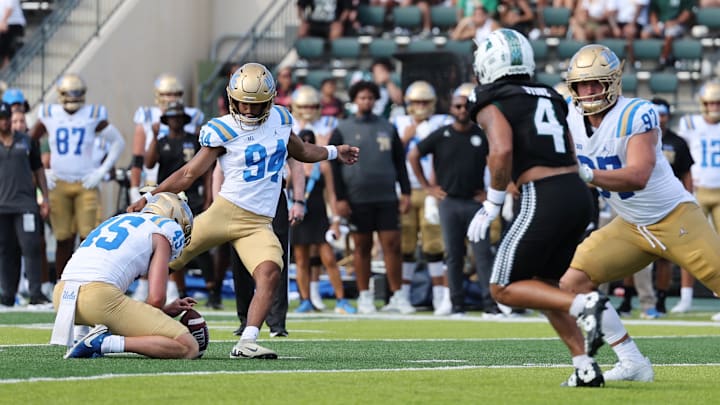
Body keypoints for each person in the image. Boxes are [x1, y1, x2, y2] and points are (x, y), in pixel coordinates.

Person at [127, 62, 359, 359]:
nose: (249, 111)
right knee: (164, 259)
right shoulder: (222, 128)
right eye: (243, 104)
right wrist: (150, 197)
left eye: (256, 105)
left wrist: (335, 151)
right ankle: (110, 308)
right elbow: (189, 174)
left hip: (258, 222)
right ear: (232, 99)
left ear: (271, 100)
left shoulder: (280, 119)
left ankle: (248, 340)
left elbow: (301, 151)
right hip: (225, 211)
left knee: (270, 272)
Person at [562, 43, 720, 382]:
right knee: (572, 282)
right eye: (581, 84)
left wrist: (585, 174)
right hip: (631, 226)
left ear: (613, 82)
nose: (588, 91)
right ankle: (632, 362)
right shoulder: (569, 117)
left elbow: (638, 174)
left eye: (596, 83)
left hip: (675, 217)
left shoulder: (637, 112)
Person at [465, 29, 608, 387]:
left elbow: (501, 150)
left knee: (502, 287)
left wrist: (493, 203)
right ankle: (584, 366)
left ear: (490, 61)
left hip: (543, 192)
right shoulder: (550, 94)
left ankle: (585, 306)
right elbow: (571, 151)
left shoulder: (490, 97)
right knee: (543, 286)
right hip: (576, 191)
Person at [51, 192, 201, 359]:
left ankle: (82, 337)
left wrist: (163, 312)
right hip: (98, 300)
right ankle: (102, 343)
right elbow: (156, 299)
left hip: (62, 298)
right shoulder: (163, 231)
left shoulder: (117, 220)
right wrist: (159, 312)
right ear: (174, 219)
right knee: (188, 347)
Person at [408, 83, 494, 317]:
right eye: (458, 106)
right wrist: (428, 187)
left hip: (476, 202)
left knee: (482, 254)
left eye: (466, 106)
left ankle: (490, 304)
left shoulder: (480, 134)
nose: (462, 110)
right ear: (451, 108)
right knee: (453, 255)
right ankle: (457, 304)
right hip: (450, 202)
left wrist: (492, 191)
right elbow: (414, 154)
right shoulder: (442, 134)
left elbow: (499, 158)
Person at [29, 73, 125, 280]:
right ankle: (63, 282)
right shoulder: (49, 113)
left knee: (88, 237)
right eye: (69, 93)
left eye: (76, 93)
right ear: (60, 94)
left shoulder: (92, 114)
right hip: (59, 183)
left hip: (85, 183)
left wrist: (100, 171)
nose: (73, 98)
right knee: (63, 238)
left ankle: (85, 280)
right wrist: (42, 171)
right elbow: (29, 142)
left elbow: (118, 142)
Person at [329, 80, 412, 315]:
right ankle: (364, 295)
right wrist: (340, 198)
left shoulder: (387, 126)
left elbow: (399, 162)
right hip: (356, 197)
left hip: (386, 196)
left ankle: (397, 296)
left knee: (392, 246)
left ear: (376, 100)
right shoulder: (342, 128)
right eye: (362, 97)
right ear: (354, 100)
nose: (366, 101)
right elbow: (333, 166)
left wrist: (405, 191)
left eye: (370, 97)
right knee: (361, 247)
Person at [129, 73, 204, 302]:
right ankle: (144, 286)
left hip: (177, 188)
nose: (171, 98)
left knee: (174, 239)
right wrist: (135, 188)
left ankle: (171, 288)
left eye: (175, 94)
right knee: (147, 238)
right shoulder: (146, 117)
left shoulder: (192, 119)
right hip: (151, 187)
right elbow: (140, 158)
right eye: (167, 93)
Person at [145, 101, 218, 307]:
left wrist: (208, 198)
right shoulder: (161, 141)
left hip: (192, 197)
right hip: (167, 201)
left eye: (178, 117)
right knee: (172, 244)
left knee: (199, 243)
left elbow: (206, 171)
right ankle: (180, 290)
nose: (175, 120)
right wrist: (153, 136)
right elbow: (148, 163)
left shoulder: (193, 140)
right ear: (166, 120)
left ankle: (212, 290)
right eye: (172, 117)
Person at [393, 81, 454, 315]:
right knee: (406, 244)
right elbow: (390, 154)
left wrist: (433, 186)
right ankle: (404, 296)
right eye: (416, 102)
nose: (420, 107)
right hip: (406, 189)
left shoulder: (442, 122)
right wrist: (405, 139)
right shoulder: (399, 123)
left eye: (424, 102)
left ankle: (440, 297)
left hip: (432, 189)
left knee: (434, 244)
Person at [292, 129, 357, 314]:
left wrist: (336, 220)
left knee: (328, 259)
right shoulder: (292, 163)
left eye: (309, 140)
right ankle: (305, 300)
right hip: (300, 216)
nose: (305, 143)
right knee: (301, 260)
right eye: (302, 141)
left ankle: (341, 299)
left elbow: (331, 195)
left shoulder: (323, 166)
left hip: (319, 216)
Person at [0, 102, 50, 307]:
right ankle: (7, 294)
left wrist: (45, 198)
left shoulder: (28, 141)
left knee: (31, 246)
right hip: (2, 206)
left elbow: (38, 170)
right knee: (5, 250)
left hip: (26, 204)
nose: (4, 122)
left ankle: (35, 292)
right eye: (1, 118)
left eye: (6, 118)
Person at [677, 80, 720, 317]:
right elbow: (683, 158)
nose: (714, 107)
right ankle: (685, 297)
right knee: (688, 245)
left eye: (718, 102)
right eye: (710, 102)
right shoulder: (689, 123)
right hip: (698, 192)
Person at [0, 0, 25, 69]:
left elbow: (9, 8)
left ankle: (7, 74)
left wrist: (3, 21)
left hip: (13, 24)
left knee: (7, 52)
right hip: (4, 24)